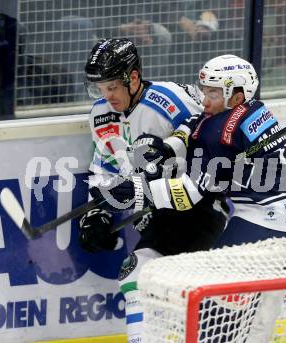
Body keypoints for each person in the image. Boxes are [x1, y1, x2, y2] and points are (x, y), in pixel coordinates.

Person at [94, 54, 286, 341]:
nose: (205, 99)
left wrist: (138, 192)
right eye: (204, 91)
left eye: (213, 93)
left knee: (212, 302)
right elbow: (192, 125)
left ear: (237, 94)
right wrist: (166, 148)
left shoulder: (223, 131)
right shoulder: (246, 112)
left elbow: (188, 194)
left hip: (271, 219)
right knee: (257, 308)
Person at [78, 38, 228, 343]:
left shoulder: (168, 99)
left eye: (112, 87)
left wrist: (174, 153)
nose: (107, 96)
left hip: (197, 206)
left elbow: (217, 130)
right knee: (135, 277)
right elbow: (103, 171)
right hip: (159, 214)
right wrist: (94, 216)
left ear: (133, 78)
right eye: (100, 89)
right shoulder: (100, 115)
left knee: (205, 301)